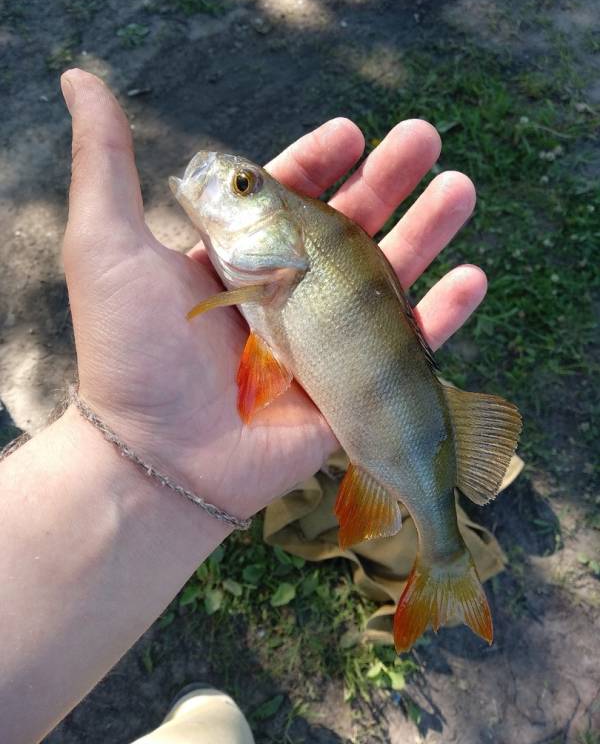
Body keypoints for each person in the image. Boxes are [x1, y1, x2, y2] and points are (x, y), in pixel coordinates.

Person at [0, 69, 485, 744]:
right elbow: (266, 362)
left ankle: (445, 558)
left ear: (287, 239)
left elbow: (271, 358)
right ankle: (443, 563)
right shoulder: (268, 282)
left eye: (242, 187)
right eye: (244, 183)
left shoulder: (280, 277)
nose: (227, 182)